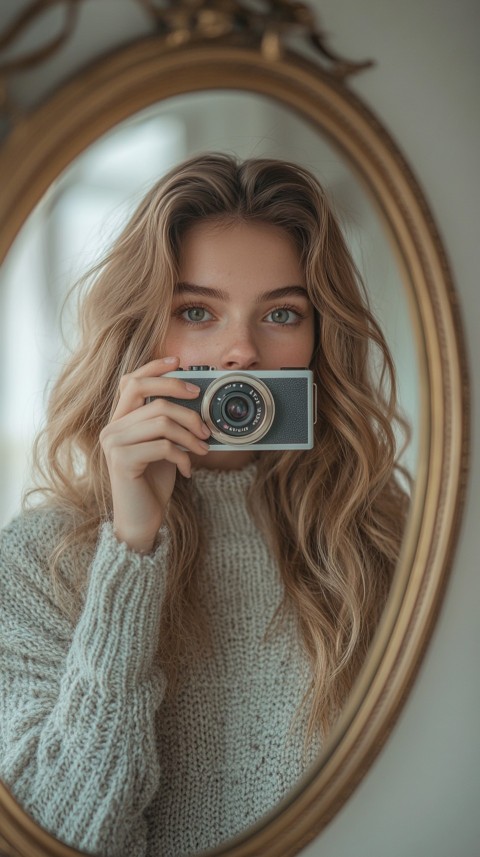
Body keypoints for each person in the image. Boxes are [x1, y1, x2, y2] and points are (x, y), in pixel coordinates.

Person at [0, 153, 409, 857]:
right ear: (142, 330)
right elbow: (59, 837)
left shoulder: (382, 535)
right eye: (196, 311)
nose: (240, 351)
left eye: (282, 313)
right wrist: (130, 549)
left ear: (319, 339)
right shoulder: (38, 559)